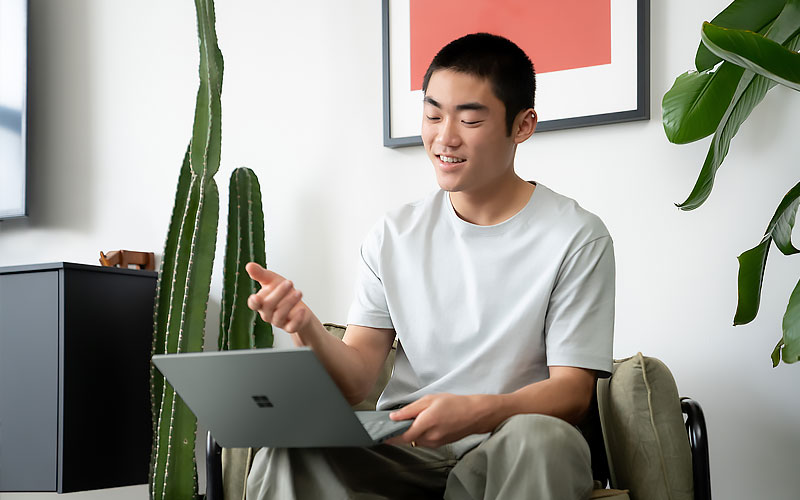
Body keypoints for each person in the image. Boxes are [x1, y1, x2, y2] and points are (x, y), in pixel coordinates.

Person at [245, 32, 614, 500]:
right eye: (433, 115)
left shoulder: (577, 236)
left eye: (470, 120)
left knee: (543, 440)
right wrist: (305, 327)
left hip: (511, 442)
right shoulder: (393, 235)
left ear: (522, 126)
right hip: (405, 445)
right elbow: (358, 378)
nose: (445, 138)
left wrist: (477, 411)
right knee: (291, 448)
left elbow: (571, 393)